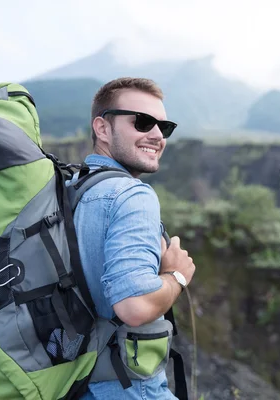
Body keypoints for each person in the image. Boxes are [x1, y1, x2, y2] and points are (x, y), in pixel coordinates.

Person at [73, 77, 196, 399]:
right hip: (126, 386)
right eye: (142, 122)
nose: (156, 135)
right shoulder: (132, 195)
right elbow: (135, 306)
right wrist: (176, 275)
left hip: (70, 382)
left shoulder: (71, 187)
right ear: (102, 128)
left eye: (164, 126)